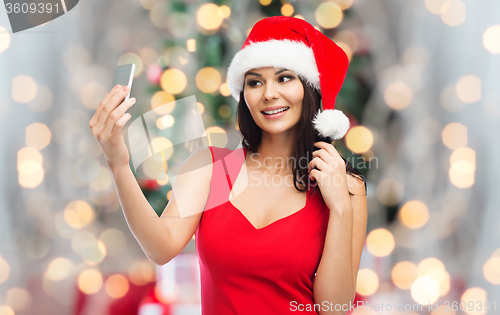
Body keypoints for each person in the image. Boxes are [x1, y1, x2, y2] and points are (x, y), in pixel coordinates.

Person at [89, 16, 367, 315]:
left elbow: (335, 308)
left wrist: (340, 209)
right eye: (255, 82)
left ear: (310, 88)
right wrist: (118, 163)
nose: (269, 93)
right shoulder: (214, 169)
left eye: (284, 78)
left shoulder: (346, 188)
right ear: (243, 94)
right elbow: (160, 248)